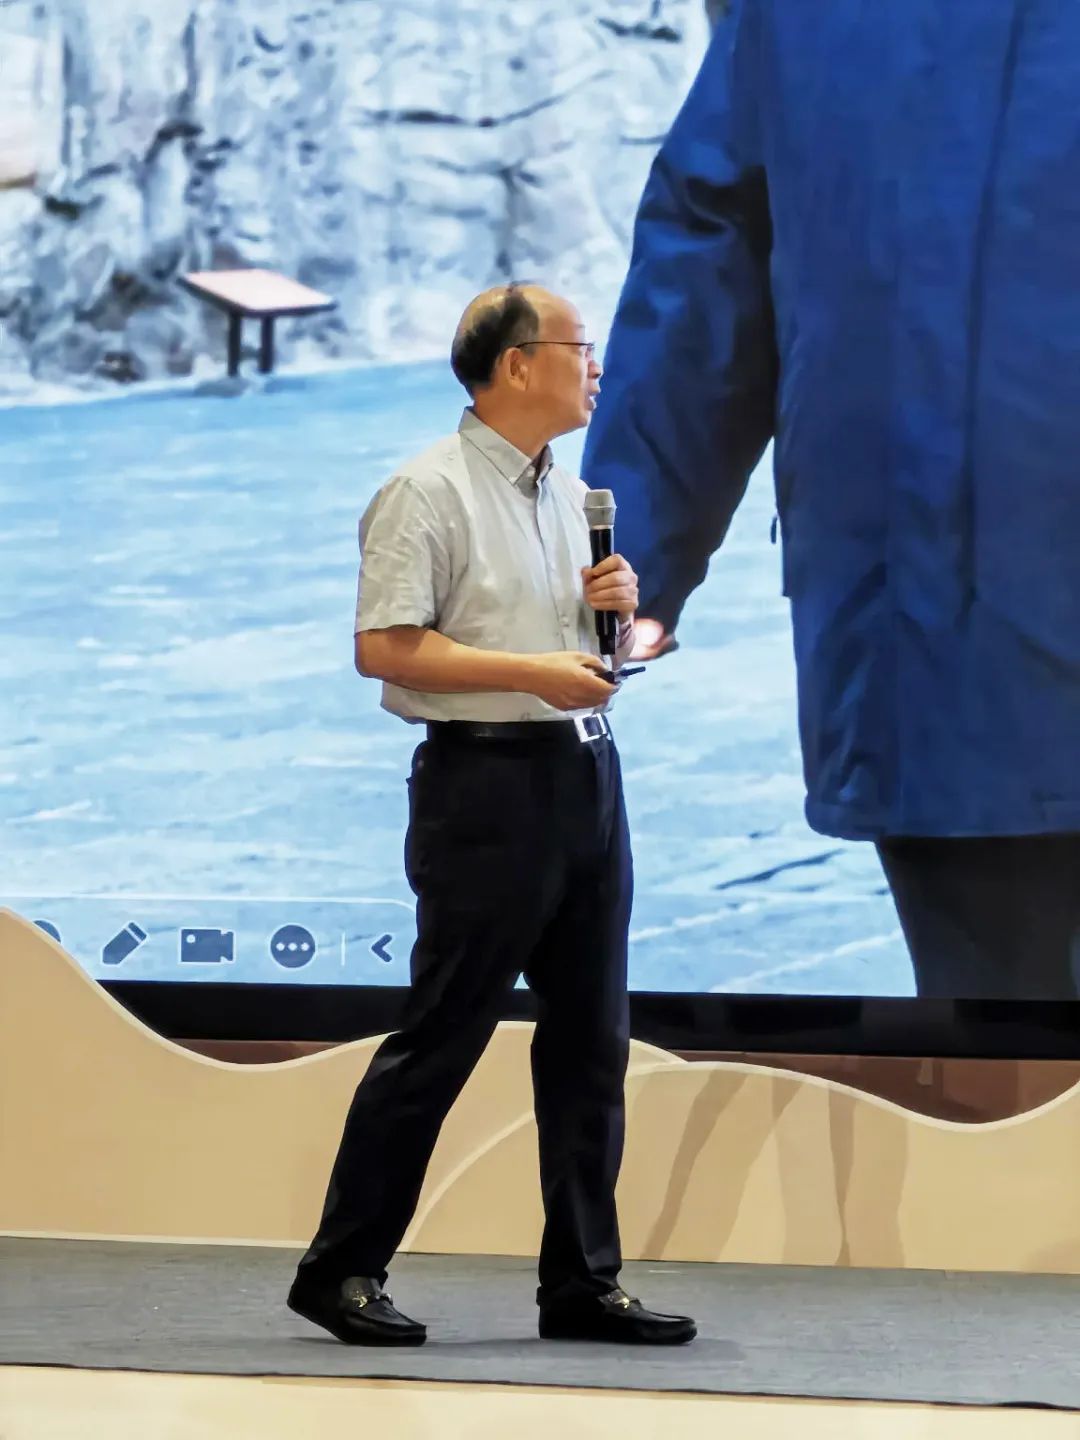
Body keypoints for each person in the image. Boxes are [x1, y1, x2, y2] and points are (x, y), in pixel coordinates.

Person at [581, 2, 1080, 1001]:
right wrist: (623, 561)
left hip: (929, 606)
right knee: (994, 1022)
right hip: (938, 621)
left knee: (997, 1032)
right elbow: (713, 256)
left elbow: (707, 256)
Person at [287, 283, 697, 1347]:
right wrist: (534, 671)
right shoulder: (425, 491)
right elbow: (386, 647)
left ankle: (583, 1282)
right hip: (486, 786)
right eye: (578, 347)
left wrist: (617, 626)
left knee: (592, 1042)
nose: (595, 366)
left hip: (585, 775)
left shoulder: (569, 493)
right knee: (443, 1034)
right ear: (515, 364)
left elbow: (569, 652)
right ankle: (341, 1269)